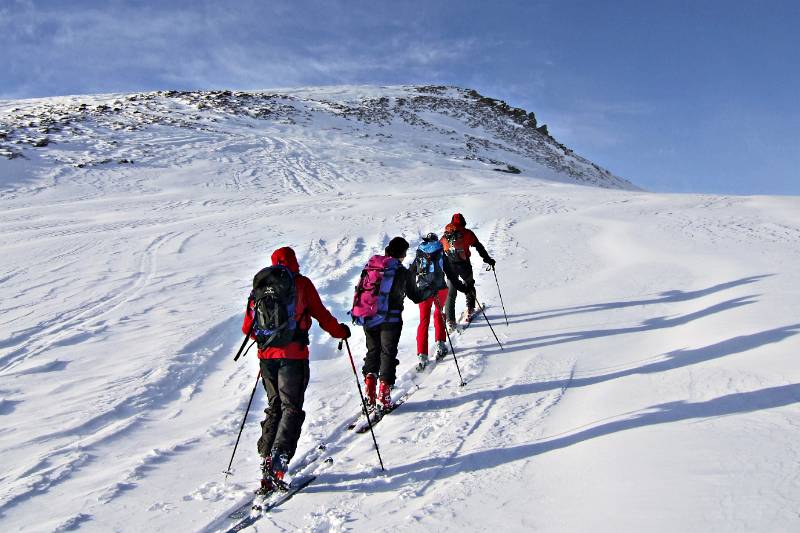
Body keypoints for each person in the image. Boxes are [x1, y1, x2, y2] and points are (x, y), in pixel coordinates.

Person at [241, 246, 350, 494]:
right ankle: (278, 461)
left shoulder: (259, 287)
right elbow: (321, 315)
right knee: (291, 407)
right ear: (294, 262)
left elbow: (247, 328)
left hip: (266, 357)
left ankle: (266, 455)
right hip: (294, 355)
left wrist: (268, 339)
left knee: (275, 405)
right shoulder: (301, 284)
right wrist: (340, 332)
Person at [356, 237, 431, 410]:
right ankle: (384, 395)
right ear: (403, 254)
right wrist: (429, 290)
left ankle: (370, 391)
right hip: (391, 320)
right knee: (387, 354)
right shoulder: (402, 271)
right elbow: (416, 297)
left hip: (370, 317)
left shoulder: (372, 265)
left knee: (373, 351)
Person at [412, 232, 468, 370]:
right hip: (440, 289)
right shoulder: (441, 252)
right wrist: (464, 287)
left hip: (423, 289)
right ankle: (440, 345)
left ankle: (422, 355)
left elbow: (412, 272)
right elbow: (450, 274)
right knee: (438, 313)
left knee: (423, 320)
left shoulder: (419, 252)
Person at [440, 213, 496, 330]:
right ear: (463, 222)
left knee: (451, 293)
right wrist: (487, 259)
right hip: (464, 264)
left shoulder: (446, 234)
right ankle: (470, 308)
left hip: (450, 266)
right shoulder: (467, 233)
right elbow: (478, 246)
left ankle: (450, 320)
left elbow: (440, 248)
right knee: (469, 284)